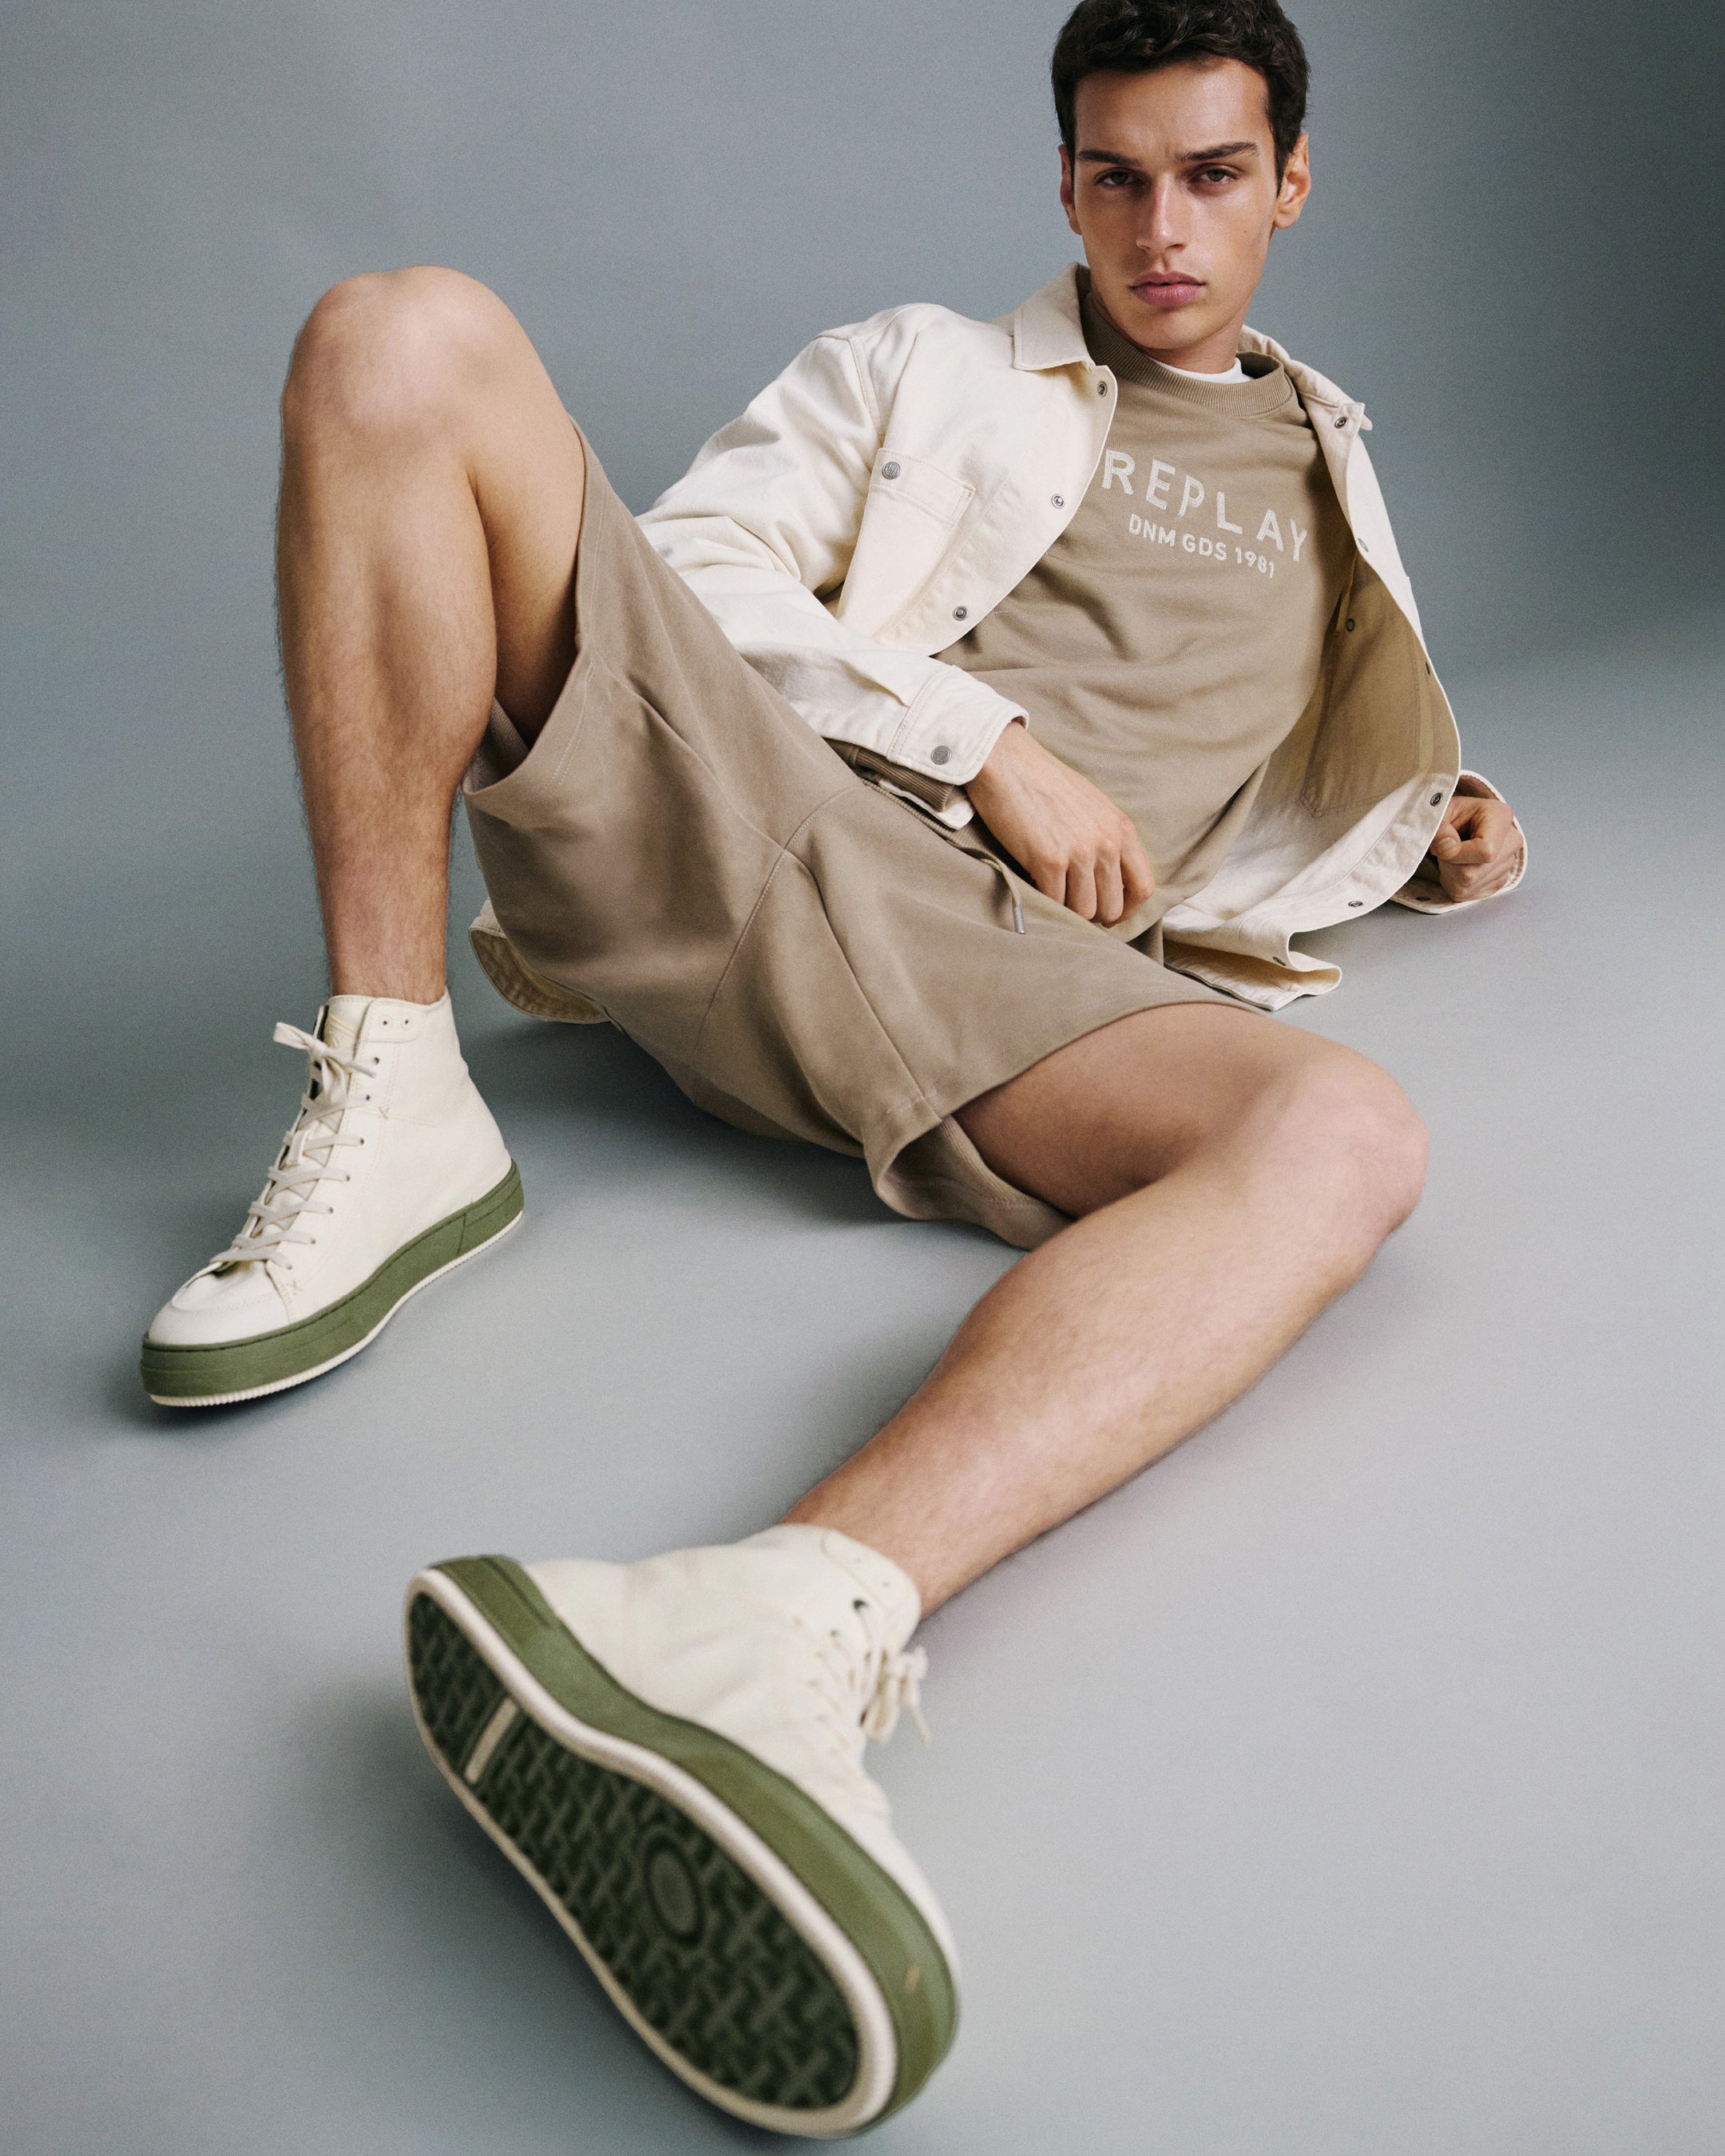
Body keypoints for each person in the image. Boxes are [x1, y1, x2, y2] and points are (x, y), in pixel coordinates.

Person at [141, 0, 1525, 2132]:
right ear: (1065, 183)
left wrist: (1431, 823)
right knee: (395, 333)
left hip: (997, 985)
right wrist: (994, 740)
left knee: (1345, 1129)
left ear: (1293, 184)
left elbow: (1308, 752)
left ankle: (772, 1620)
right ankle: (396, 1071)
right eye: (1117, 176)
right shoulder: (933, 370)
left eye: (1214, 175)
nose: (1164, 227)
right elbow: (693, 573)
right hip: (775, 819)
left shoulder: (1333, 470)